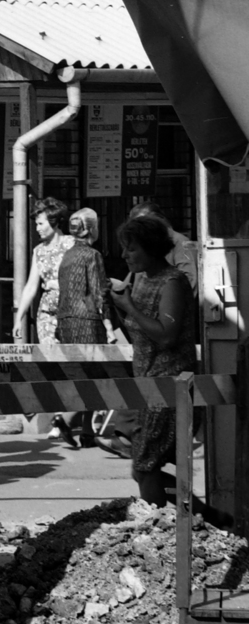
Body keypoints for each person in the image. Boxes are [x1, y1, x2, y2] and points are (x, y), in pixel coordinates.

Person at [109, 212, 198, 507]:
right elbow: (139, 330)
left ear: (150, 247)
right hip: (146, 385)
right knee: (142, 467)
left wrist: (129, 306)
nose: (124, 255)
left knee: (145, 466)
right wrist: (119, 305)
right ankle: (209, 516)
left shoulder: (172, 281)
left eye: (131, 248)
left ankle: (156, 527)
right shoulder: (141, 279)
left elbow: (166, 335)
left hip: (167, 383)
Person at [52, 207, 114, 449]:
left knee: (82, 374)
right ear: (90, 229)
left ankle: (87, 431)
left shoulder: (66, 257)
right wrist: (108, 325)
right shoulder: (92, 255)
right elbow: (99, 293)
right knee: (95, 375)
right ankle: (66, 419)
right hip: (87, 321)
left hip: (65, 320)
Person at [13, 197, 73, 344]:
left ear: (54, 222)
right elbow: (31, 287)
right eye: (36, 224)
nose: (37, 228)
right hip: (47, 314)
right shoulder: (38, 251)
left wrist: (56, 284)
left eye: (41, 224)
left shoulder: (72, 244)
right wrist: (19, 318)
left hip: (72, 311)